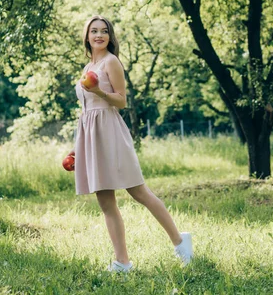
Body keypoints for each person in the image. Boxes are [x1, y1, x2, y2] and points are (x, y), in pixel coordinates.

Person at [71, 15, 193, 273]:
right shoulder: (87, 66)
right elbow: (86, 109)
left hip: (111, 132)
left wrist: (100, 92)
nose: (99, 35)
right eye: (94, 31)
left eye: (104, 31)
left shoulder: (111, 62)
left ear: (110, 36)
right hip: (91, 135)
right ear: (87, 36)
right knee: (106, 202)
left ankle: (181, 242)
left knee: (138, 192)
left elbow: (121, 101)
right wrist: (79, 146)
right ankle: (122, 262)